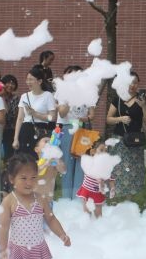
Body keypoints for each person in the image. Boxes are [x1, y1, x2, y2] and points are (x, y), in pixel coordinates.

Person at [0, 154, 71, 259]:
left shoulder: (40, 198)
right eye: (24, 178)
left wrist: (62, 234)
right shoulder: (9, 201)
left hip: (39, 248)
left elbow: (51, 219)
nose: (29, 182)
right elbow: (3, 227)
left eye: (33, 178)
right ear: (12, 179)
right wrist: (3, 250)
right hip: (18, 250)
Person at [106, 71, 146, 199]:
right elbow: (108, 119)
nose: (132, 85)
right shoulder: (118, 98)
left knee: (133, 171)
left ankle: (129, 200)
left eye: (135, 82)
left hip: (135, 141)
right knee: (118, 169)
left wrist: (143, 106)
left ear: (138, 84)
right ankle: (115, 197)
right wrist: (120, 119)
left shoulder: (142, 99)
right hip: (119, 140)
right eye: (130, 82)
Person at [55, 65, 94, 200]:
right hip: (66, 128)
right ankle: (67, 199)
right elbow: (62, 113)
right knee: (67, 163)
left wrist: (85, 118)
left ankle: (78, 199)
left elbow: (92, 114)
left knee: (81, 165)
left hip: (83, 130)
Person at [12, 65, 56, 157]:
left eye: (31, 79)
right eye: (27, 79)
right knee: (25, 159)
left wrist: (35, 114)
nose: (28, 82)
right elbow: (20, 119)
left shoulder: (48, 95)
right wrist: (15, 138)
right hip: (26, 130)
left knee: (41, 158)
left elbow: (52, 117)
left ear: (39, 81)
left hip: (42, 131)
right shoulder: (24, 96)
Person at [77, 141, 112, 218]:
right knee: (86, 215)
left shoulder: (105, 166)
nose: (104, 153)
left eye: (106, 151)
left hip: (97, 193)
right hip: (87, 191)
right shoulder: (89, 161)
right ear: (93, 151)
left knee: (99, 217)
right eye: (101, 150)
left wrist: (102, 184)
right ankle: (87, 224)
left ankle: (98, 225)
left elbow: (104, 187)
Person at [34, 134, 66, 203]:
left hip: (48, 202)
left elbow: (63, 171)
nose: (49, 143)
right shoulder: (34, 164)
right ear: (37, 149)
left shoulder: (53, 165)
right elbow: (35, 173)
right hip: (33, 202)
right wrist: (46, 163)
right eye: (46, 141)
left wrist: (57, 158)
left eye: (50, 141)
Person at [0, 74, 20, 162]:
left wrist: (3, 98)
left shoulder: (15, 98)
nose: (10, 85)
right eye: (8, 83)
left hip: (10, 129)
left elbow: (9, 113)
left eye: (13, 84)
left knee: (9, 154)